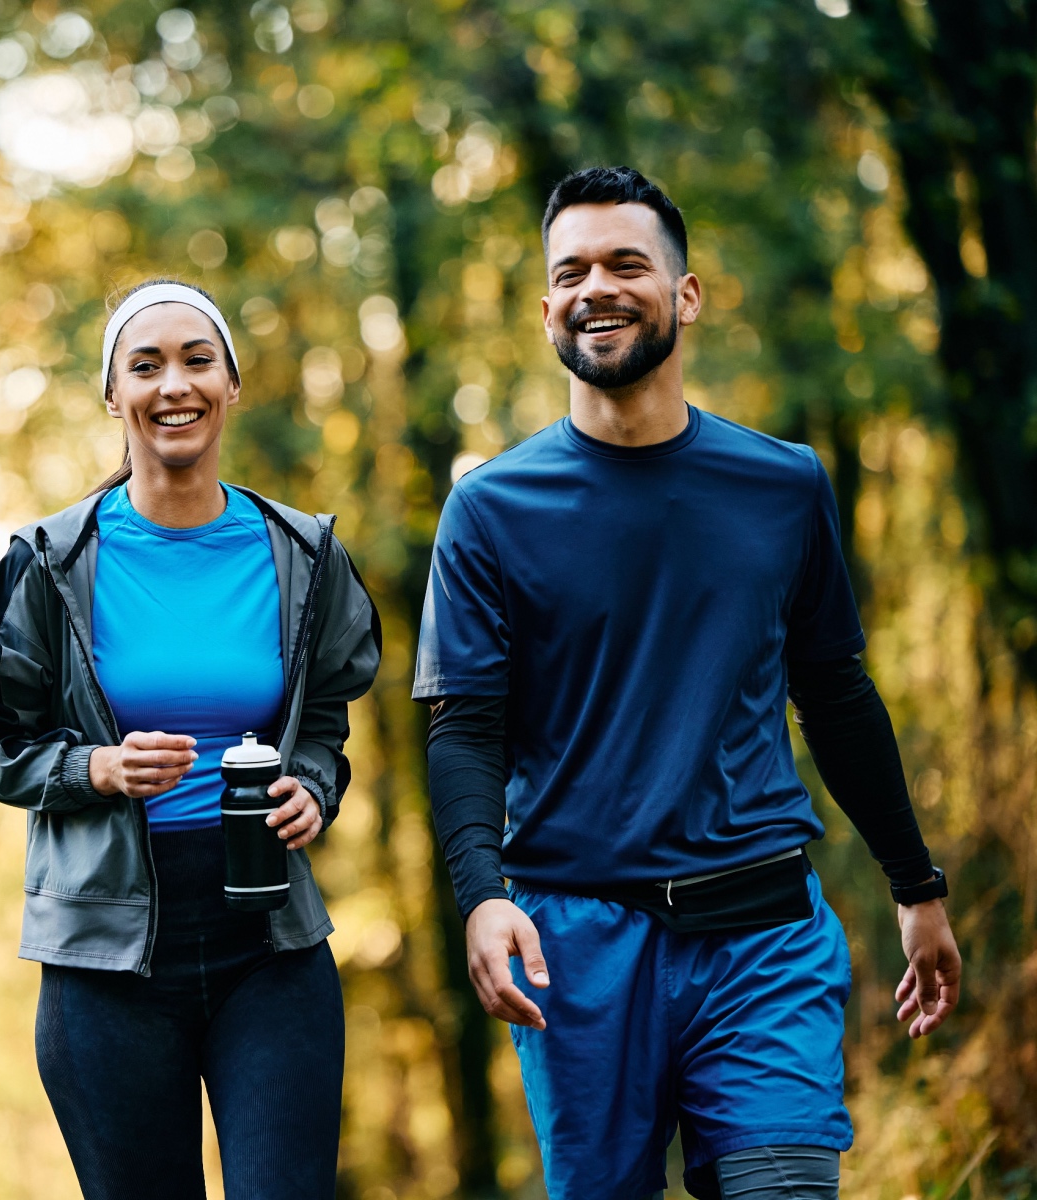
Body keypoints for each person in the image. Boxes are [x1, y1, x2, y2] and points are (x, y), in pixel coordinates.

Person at [413, 168, 961, 1200]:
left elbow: (835, 692)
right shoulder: (489, 510)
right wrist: (483, 897)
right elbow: (465, 730)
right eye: (570, 271)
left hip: (759, 928)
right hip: (573, 944)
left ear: (687, 293)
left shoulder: (782, 482)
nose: (597, 288)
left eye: (627, 263)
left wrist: (915, 885)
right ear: (545, 309)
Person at [0, 279, 380, 1200]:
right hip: (106, 957)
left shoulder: (302, 553)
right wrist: (95, 768)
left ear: (233, 383)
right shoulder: (48, 561)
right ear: (113, 395)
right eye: (143, 365)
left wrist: (313, 782)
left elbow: (324, 718)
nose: (172, 384)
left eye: (197, 359)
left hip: (269, 941)